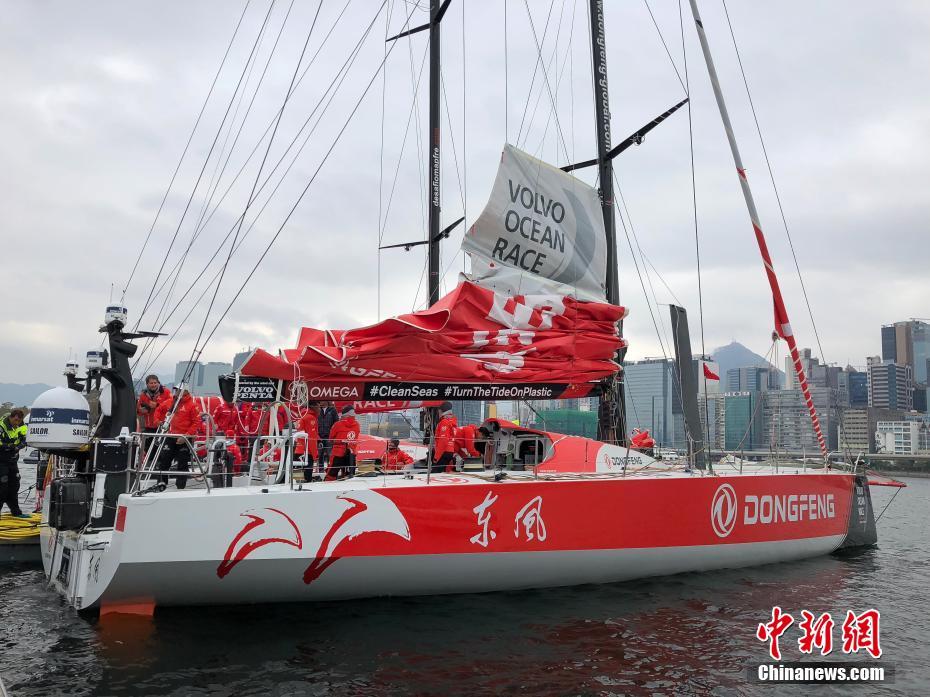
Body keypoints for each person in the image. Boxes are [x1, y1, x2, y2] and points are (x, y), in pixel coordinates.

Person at [155, 388, 202, 490]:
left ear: (186, 391)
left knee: (182, 463)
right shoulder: (171, 402)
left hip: (184, 438)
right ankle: (161, 484)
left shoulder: (192, 405)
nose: (177, 392)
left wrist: (186, 436)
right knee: (164, 460)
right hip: (170, 436)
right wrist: (158, 421)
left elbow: (197, 422)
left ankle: (181, 487)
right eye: (176, 390)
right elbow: (158, 410)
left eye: (180, 390)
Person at [0, 409, 30, 518]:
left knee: (14, 485)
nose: (16, 423)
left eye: (19, 420)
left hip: (12, 460)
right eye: (15, 420)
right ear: (11, 417)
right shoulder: (2, 426)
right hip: (1, 460)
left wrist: (19, 446)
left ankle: (16, 512)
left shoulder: (21, 426)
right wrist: (9, 446)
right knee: (3, 486)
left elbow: (26, 438)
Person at [326, 405, 359, 480]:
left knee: (331, 474)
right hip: (351, 454)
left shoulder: (337, 424)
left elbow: (331, 438)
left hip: (337, 453)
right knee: (350, 476)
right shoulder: (357, 425)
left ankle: (328, 484)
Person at [295, 402, 320, 480]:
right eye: (319, 407)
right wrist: (315, 454)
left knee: (298, 475)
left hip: (299, 449)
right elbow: (311, 438)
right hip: (307, 451)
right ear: (313, 407)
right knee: (307, 477)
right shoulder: (310, 418)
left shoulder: (301, 416)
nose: (320, 409)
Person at [432, 402, 457, 473]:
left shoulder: (444, 422)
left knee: (434, 474)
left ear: (441, 411)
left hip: (443, 452)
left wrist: (436, 457)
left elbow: (443, 441)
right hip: (450, 451)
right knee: (442, 473)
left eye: (439, 411)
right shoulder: (452, 422)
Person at [318, 401, 338, 466]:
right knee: (320, 454)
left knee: (330, 454)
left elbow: (336, 423)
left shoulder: (333, 410)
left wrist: (333, 434)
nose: (320, 402)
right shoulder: (317, 409)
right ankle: (320, 469)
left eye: (321, 400)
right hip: (319, 436)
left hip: (329, 436)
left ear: (326, 401)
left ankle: (330, 469)